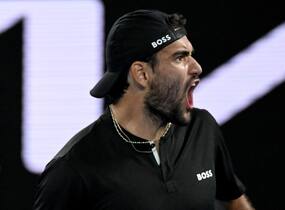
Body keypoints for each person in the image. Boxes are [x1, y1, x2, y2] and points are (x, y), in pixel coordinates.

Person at [33, 9, 254, 210]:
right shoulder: (73, 168)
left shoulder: (202, 128)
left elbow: (233, 200)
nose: (197, 67)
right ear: (142, 74)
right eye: (180, 57)